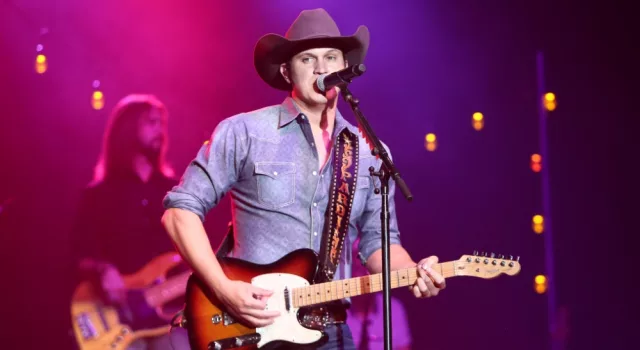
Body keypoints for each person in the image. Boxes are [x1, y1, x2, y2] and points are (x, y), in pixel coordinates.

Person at [162, 8, 446, 349]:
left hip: (331, 331)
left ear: (344, 69)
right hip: (249, 326)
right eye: (308, 59)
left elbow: (378, 246)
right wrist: (224, 288)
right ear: (286, 71)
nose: (322, 68)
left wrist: (415, 271)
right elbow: (179, 213)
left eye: (331, 57)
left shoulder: (370, 151)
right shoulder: (245, 132)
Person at [70, 93, 183, 350]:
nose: (160, 131)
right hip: (113, 315)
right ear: (128, 129)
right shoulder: (99, 194)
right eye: (151, 123)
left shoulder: (173, 190)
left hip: (165, 315)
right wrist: (103, 270)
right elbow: (79, 253)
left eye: (162, 124)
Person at [346, 240, 412, 350]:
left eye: (366, 269)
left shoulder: (394, 308)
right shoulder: (334, 311)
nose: (362, 275)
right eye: (357, 268)